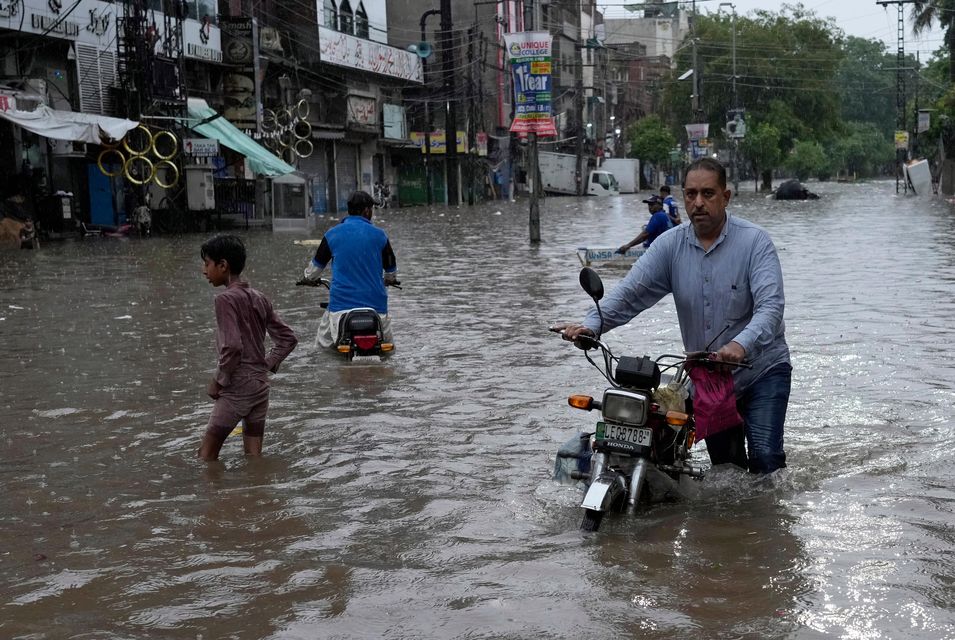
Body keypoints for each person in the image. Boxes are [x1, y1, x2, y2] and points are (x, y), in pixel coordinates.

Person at [560, 158, 791, 475]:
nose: (699, 203)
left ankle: (768, 520)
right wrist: (592, 325)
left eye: (708, 194)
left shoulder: (755, 243)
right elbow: (631, 293)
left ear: (726, 197)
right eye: (691, 194)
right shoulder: (669, 246)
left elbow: (770, 307)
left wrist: (741, 345)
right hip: (710, 379)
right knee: (727, 472)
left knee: (765, 459)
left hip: (762, 369)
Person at [199, 234, 298, 461]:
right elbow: (288, 338)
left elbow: (232, 347)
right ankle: (257, 493)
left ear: (223, 265)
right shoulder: (259, 297)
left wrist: (218, 380)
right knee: (254, 458)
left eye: (207, 264)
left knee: (205, 457)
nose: (204, 270)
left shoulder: (224, 300)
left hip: (237, 388)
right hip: (260, 387)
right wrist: (266, 364)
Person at [301, 190, 398, 347]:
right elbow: (391, 270)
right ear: (366, 210)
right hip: (377, 308)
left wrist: (307, 278)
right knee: (388, 349)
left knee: (321, 347)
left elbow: (314, 270)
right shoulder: (380, 235)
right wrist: (389, 280)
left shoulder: (332, 234)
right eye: (371, 209)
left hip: (340, 309)